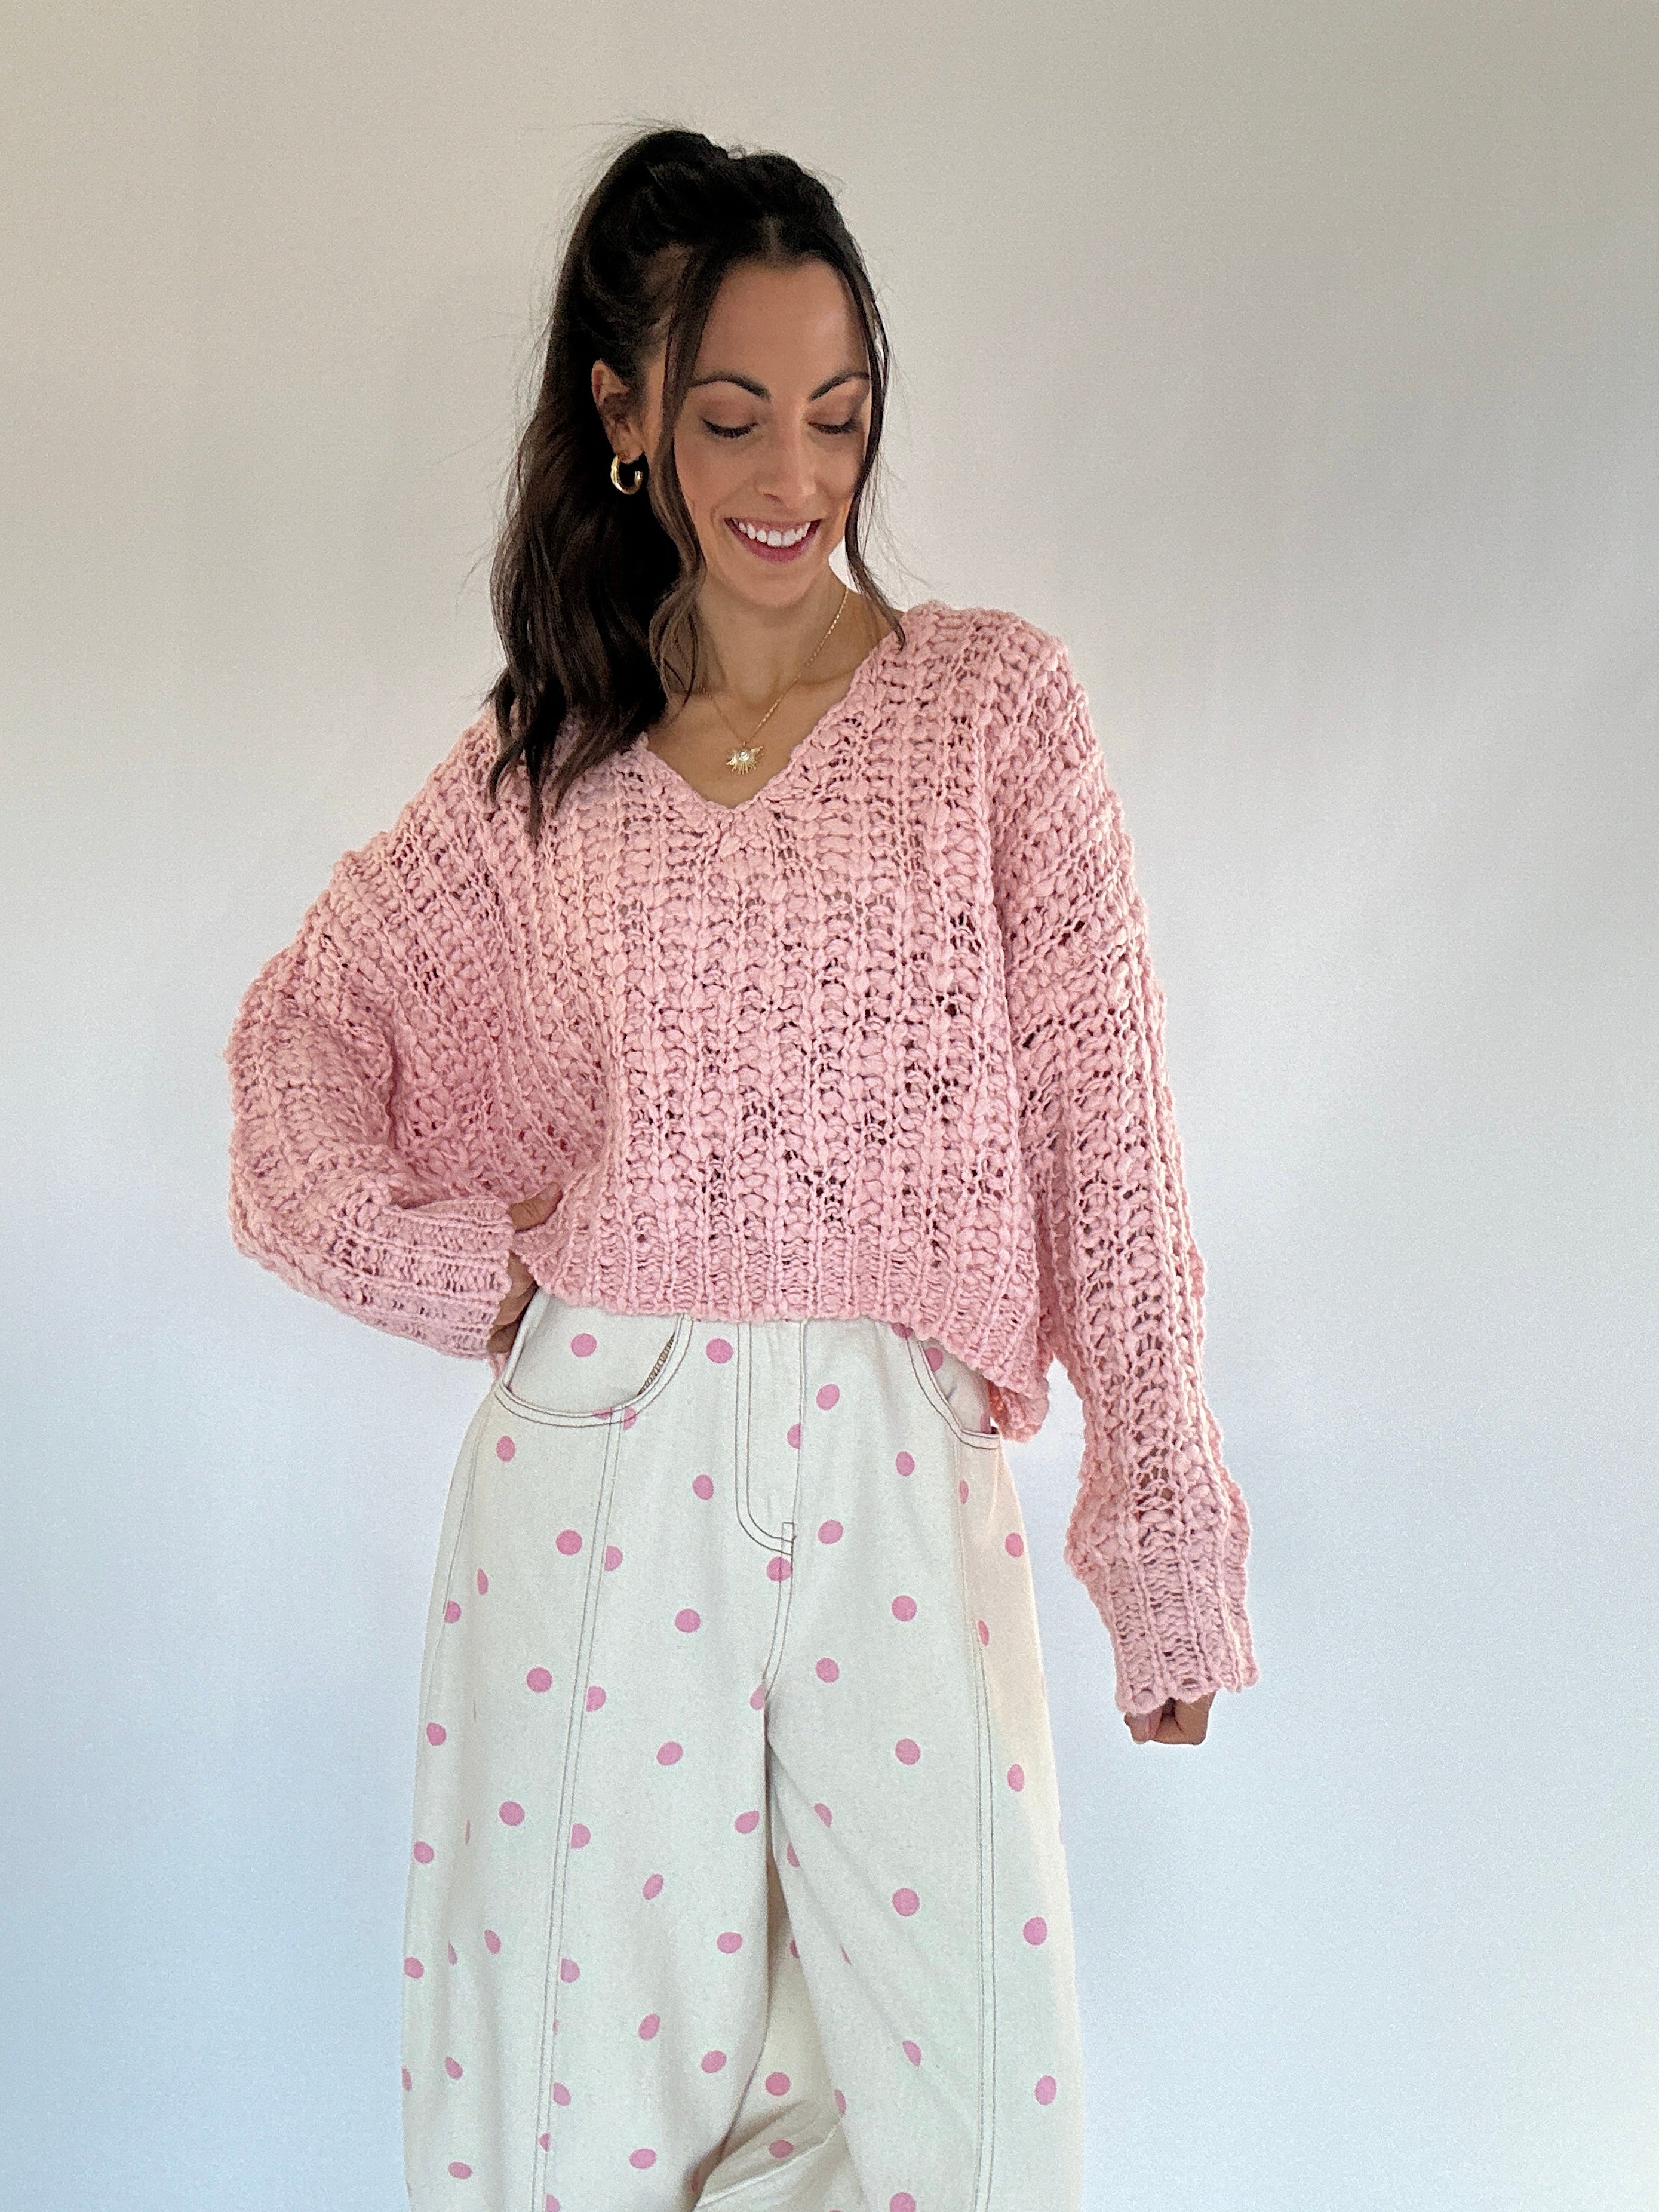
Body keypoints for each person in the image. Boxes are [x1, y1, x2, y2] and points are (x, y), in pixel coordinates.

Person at [223, 124, 1259, 2212]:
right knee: (564, 2128)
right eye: (731, 416)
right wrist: (476, 1279)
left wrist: (1158, 1536)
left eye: (838, 414)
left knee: (980, 2137)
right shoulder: (550, 762)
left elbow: (1107, 1136)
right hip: (605, 1458)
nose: (795, 475)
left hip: (899, 1461)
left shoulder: (989, 711)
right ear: (625, 417)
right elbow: (297, 1053)